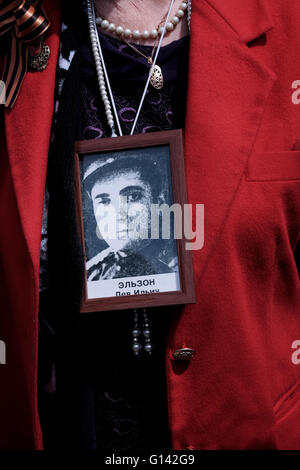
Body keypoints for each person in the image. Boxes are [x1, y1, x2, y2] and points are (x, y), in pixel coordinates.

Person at [1, 0, 300, 451]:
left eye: (132, 196)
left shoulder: (288, 24)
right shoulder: (17, 24)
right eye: (104, 199)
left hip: (248, 427)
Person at [83, 153, 178, 281]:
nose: (118, 214)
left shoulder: (177, 269)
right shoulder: (91, 275)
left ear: (159, 202)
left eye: (133, 197)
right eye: (104, 201)